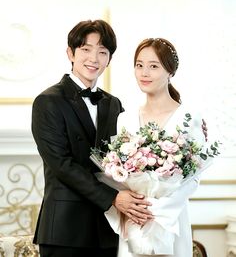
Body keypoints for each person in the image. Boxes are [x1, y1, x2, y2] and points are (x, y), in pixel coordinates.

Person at [31, 19, 152, 257]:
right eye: (86, 49)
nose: (93, 58)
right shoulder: (48, 101)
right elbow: (62, 165)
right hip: (65, 231)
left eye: (102, 52)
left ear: (109, 59)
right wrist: (115, 198)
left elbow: (127, 154)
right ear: (70, 53)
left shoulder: (113, 103)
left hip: (106, 229)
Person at [116, 37, 207, 257]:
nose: (144, 73)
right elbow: (117, 171)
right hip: (135, 218)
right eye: (139, 65)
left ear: (170, 72)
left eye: (153, 66)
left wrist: (158, 210)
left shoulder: (189, 117)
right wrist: (134, 207)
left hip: (171, 219)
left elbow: (193, 177)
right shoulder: (125, 119)